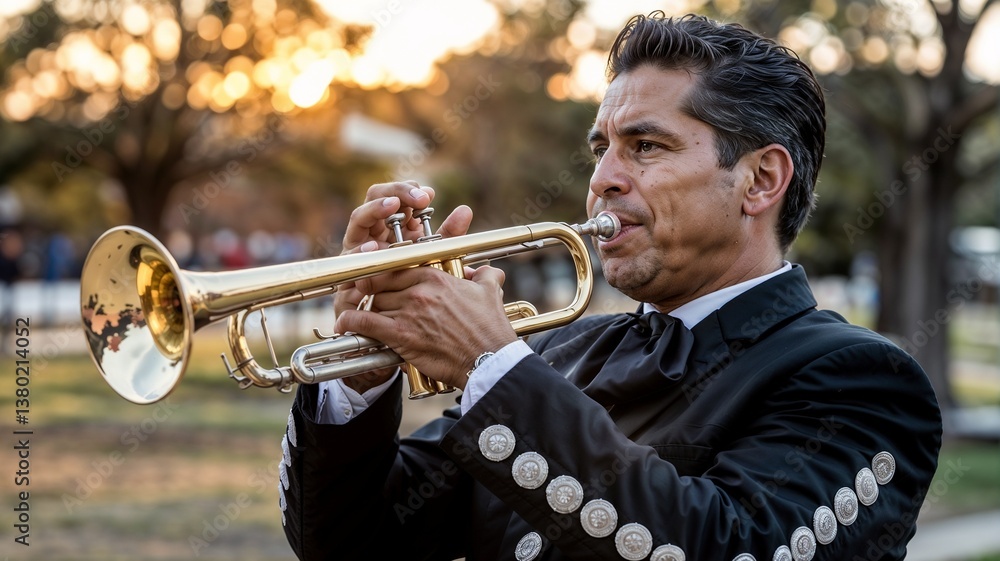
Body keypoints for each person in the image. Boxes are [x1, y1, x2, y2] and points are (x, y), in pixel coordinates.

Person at [278, 12, 941, 561]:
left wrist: (490, 364)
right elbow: (347, 541)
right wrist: (357, 377)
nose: (605, 178)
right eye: (602, 147)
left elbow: (725, 544)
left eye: (645, 146)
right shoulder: (560, 352)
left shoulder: (863, 381)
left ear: (761, 180)